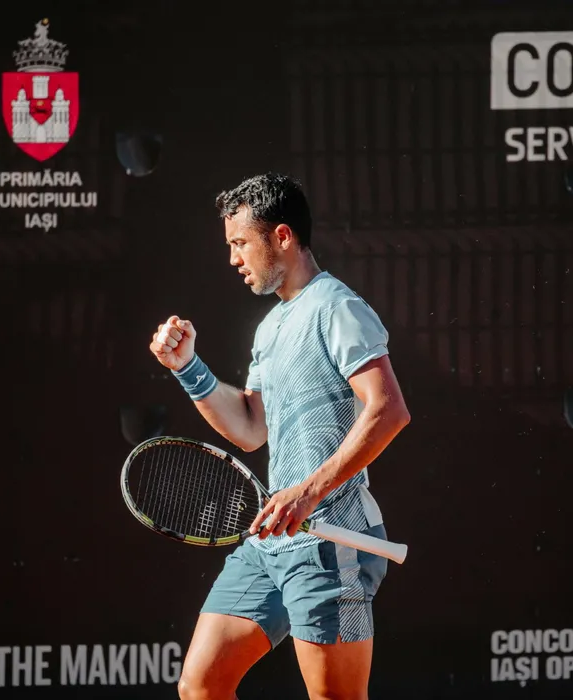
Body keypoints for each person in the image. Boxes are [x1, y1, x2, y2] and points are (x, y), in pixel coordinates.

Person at [149, 173, 410, 700]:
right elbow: (250, 427)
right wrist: (188, 367)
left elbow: (388, 410)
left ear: (283, 237)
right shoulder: (269, 328)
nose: (233, 259)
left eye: (240, 243)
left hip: (331, 541)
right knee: (201, 686)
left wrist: (307, 493)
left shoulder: (337, 307)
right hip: (271, 543)